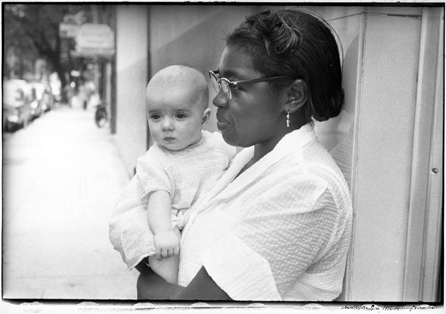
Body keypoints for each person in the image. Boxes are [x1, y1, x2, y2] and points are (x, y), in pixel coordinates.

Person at [109, 8, 352, 301]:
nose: (218, 98)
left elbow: (192, 306)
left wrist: (146, 281)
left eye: (234, 86)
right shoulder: (242, 157)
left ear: (292, 96)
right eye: (219, 80)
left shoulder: (309, 189)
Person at [110, 65, 236, 284]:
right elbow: (159, 200)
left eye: (180, 116)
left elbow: (236, 167)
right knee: (167, 252)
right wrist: (163, 232)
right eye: (156, 117)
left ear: (204, 119)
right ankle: (171, 290)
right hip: (169, 217)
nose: (166, 126)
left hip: (204, 212)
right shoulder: (155, 160)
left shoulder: (217, 145)